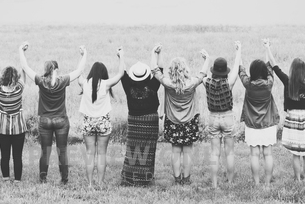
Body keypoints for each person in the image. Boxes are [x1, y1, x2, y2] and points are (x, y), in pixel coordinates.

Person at [19, 42, 87, 184]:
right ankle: (64, 179)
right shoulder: (63, 81)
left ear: (46, 70)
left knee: (45, 151)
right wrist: (84, 54)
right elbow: (80, 70)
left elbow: (25, 67)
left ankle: (43, 179)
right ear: (57, 69)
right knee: (62, 151)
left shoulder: (41, 81)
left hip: (45, 121)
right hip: (61, 121)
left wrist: (21, 50)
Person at [151, 45, 210, 185]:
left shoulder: (168, 83)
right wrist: (207, 59)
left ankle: (177, 179)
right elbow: (202, 74)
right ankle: (186, 179)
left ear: (171, 70)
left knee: (175, 151)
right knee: (188, 151)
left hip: (172, 121)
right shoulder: (191, 83)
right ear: (186, 70)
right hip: (189, 121)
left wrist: (154, 53)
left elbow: (155, 71)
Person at [265, 36, 305, 182]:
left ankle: (297, 178)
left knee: (296, 153)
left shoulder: (287, 81)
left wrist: (267, 47)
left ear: (292, 69)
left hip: (292, 118)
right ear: (303, 70)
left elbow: (274, 65)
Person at [78, 47, 125, 187]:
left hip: (88, 122)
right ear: (104, 74)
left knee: (90, 154)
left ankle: (90, 185)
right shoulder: (106, 84)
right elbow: (121, 73)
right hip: (103, 122)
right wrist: (121, 56)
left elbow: (78, 72)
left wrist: (83, 55)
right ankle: (100, 183)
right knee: (102, 154)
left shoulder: (84, 83)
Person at [239, 41, 280, 186]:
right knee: (268, 153)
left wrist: (239, 51)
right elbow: (270, 68)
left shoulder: (248, 84)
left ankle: (256, 183)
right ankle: (267, 184)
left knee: (254, 155)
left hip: (252, 125)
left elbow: (241, 71)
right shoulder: (269, 83)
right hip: (268, 124)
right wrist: (267, 47)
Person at [204, 41, 242, 188]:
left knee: (214, 153)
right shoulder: (229, 83)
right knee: (230, 153)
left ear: (213, 71)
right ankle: (230, 181)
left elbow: (201, 75)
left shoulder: (207, 82)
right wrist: (238, 50)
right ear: (225, 71)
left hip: (213, 117)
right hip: (227, 117)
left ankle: (214, 184)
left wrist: (206, 59)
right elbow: (237, 68)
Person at [119, 55, 161, 186]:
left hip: (134, 121)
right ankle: (146, 178)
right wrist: (156, 55)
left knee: (132, 149)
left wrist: (121, 56)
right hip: (151, 121)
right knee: (149, 149)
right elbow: (159, 70)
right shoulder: (153, 85)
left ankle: (129, 177)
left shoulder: (128, 85)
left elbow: (122, 72)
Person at [0, 44, 27, 183]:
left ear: (3, 78)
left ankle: (6, 178)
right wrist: (22, 52)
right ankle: (17, 180)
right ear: (16, 78)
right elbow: (24, 68)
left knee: (4, 155)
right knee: (17, 156)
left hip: (3, 128)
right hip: (18, 128)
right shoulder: (19, 89)